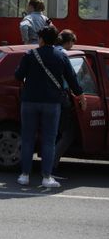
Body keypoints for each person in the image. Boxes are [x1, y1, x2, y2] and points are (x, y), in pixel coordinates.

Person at [15, 25, 86, 188]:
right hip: (52, 103)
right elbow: (72, 79)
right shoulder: (61, 57)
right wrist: (81, 96)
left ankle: (24, 175)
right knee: (49, 140)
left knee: (27, 138)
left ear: (40, 39)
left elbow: (18, 75)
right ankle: (46, 177)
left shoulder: (30, 55)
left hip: (29, 101)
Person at [54, 29, 78, 169]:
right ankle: (52, 165)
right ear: (68, 42)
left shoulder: (52, 50)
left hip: (49, 95)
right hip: (61, 96)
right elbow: (71, 77)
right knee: (68, 133)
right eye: (72, 44)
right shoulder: (63, 54)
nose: (72, 47)